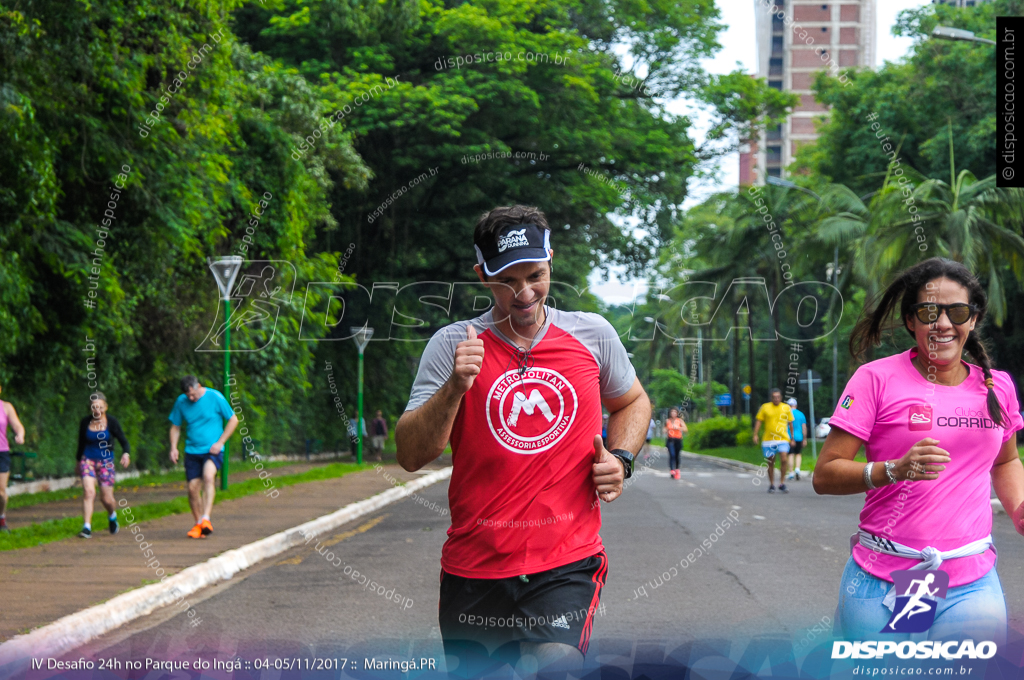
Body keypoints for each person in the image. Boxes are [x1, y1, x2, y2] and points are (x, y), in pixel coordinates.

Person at [395, 206, 650, 679]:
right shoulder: (452, 344)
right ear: (481, 276)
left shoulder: (591, 334)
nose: (525, 293)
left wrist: (622, 459)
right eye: (507, 281)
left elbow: (633, 402)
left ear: (551, 260)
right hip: (474, 569)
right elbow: (411, 455)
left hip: (566, 562)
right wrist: (454, 387)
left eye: (535, 275)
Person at [814, 258, 1024, 644]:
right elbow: (825, 474)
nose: (943, 323)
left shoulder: (997, 387)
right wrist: (892, 469)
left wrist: (1019, 508)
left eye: (957, 311)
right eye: (929, 311)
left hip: (971, 579)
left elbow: (1007, 460)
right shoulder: (875, 379)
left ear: (973, 319)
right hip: (888, 577)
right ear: (911, 320)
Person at [168, 376, 238, 539]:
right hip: (192, 451)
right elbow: (175, 427)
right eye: (188, 396)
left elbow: (233, 419)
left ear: (199, 386)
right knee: (192, 488)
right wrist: (173, 447)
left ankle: (206, 518)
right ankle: (199, 523)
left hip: (212, 449)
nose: (191, 398)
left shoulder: (215, 397)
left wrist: (220, 442)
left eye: (193, 394)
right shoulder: (181, 402)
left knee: (208, 476)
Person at [75, 393, 131, 538]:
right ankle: (87, 527)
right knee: (89, 492)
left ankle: (112, 515)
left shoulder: (111, 422)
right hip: (88, 459)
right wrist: (77, 462)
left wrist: (126, 454)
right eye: (94, 407)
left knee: (106, 499)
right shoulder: (85, 422)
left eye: (100, 407)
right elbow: (81, 444)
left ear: (105, 407)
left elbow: (123, 441)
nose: (97, 410)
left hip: (106, 461)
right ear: (90, 408)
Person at [753, 388, 792, 493]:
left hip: (783, 438)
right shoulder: (765, 407)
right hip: (768, 439)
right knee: (771, 462)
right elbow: (759, 421)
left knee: (784, 459)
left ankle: (782, 483)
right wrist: (755, 434)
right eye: (774, 397)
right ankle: (771, 484)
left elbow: (790, 423)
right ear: (771, 398)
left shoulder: (786, 407)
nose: (776, 399)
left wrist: (792, 437)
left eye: (778, 397)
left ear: (781, 397)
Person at [0, 384, 26, 533]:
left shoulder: (6, 407)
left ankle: (1, 517)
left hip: (1, 452)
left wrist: (20, 434)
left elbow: (18, 425)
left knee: (1, 492)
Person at [786, 397, 808, 481]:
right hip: (799, 437)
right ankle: (797, 469)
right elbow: (804, 427)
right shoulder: (801, 414)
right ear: (796, 405)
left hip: (788, 437)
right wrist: (805, 438)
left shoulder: (786, 414)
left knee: (790, 454)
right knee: (798, 453)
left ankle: (791, 472)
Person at [665, 408, 687, 480]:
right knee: (672, 455)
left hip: (678, 439)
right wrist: (667, 429)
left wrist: (678, 427)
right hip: (670, 440)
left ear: (677, 413)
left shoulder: (680, 421)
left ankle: (677, 469)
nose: (673, 414)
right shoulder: (668, 421)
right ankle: (672, 470)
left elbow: (685, 429)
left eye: (675, 412)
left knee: (677, 455)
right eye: (672, 412)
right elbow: (664, 429)